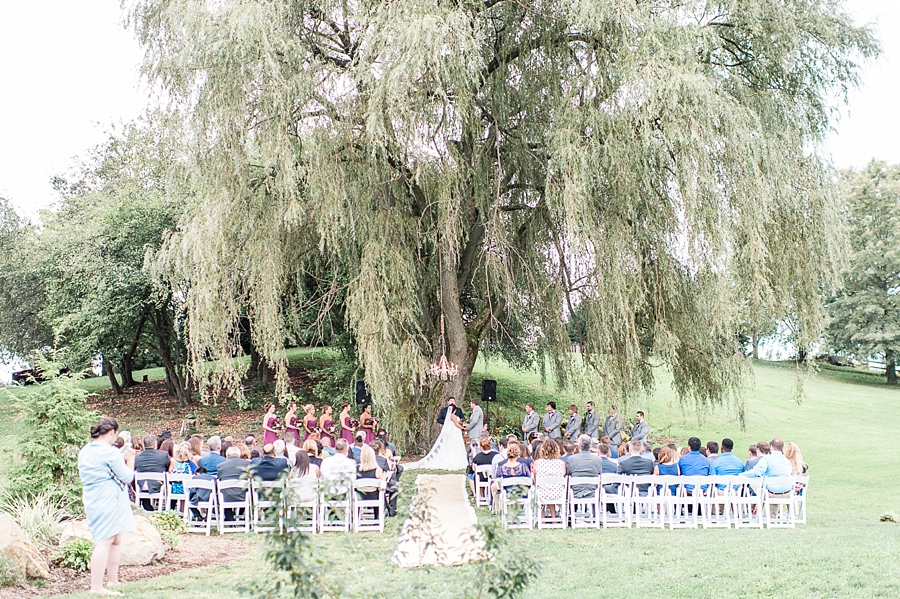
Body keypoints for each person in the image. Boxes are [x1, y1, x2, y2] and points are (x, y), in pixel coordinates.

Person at [78, 418, 135, 596]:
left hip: (93, 497)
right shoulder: (109, 452)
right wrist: (130, 460)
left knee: (116, 540)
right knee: (104, 541)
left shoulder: (85, 450)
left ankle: (113, 580)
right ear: (112, 432)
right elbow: (126, 477)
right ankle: (97, 586)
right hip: (107, 499)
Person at [406, 397, 469, 470]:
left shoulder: (458, 410)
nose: (452, 402)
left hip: (456, 430)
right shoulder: (443, 410)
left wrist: (463, 423)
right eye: (451, 401)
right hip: (450, 429)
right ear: (447, 402)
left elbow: (462, 419)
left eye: (453, 401)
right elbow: (439, 419)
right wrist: (447, 423)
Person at [134, 434, 172, 511]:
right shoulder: (163, 455)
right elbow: (168, 468)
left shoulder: (137, 457)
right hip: (158, 486)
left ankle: (147, 507)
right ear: (155, 445)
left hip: (141, 486)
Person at [532, 435, 566, 518]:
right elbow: (563, 475)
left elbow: (535, 478)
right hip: (558, 494)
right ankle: (554, 517)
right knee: (551, 488)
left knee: (541, 488)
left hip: (542, 493)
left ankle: (542, 518)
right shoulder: (561, 463)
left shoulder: (538, 463)